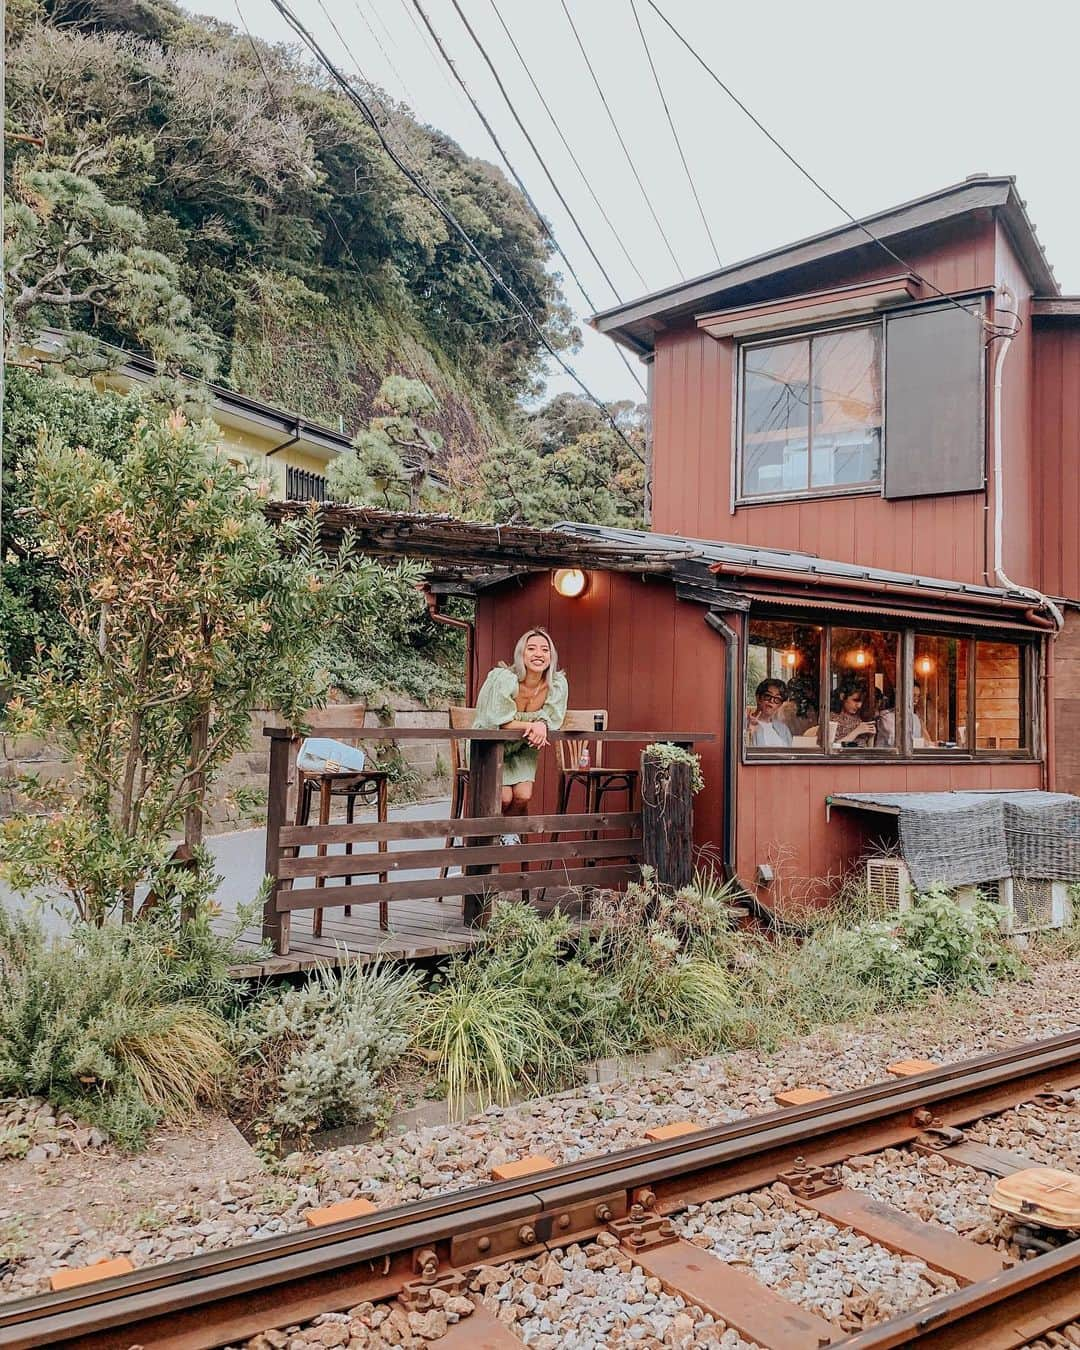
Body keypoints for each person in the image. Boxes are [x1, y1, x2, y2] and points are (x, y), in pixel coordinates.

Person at [472, 628, 568, 844]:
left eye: (545, 650)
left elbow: (553, 716)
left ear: (551, 657)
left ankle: (508, 831)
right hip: (492, 746)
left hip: (522, 747)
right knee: (504, 797)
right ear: (521, 654)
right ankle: (489, 835)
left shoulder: (557, 684)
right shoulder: (505, 678)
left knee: (523, 795)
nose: (538, 654)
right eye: (531, 648)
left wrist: (542, 724)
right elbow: (499, 720)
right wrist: (535, 726)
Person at [746, 678, 793, 747]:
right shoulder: (744, 724)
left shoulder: (784, 729)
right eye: (768, 696)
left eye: (777, 699)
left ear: (780, 705)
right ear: (758, 698)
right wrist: (749, 731)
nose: (771, 701)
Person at [830, 682, 877, 748]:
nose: (859, 705)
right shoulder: (832, 718)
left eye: (861, 701)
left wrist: (871, 736)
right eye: (855, 700)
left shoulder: (859, 718)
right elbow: (832, 748)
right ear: (842, 696)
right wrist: (857, 731)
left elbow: (867, 749)